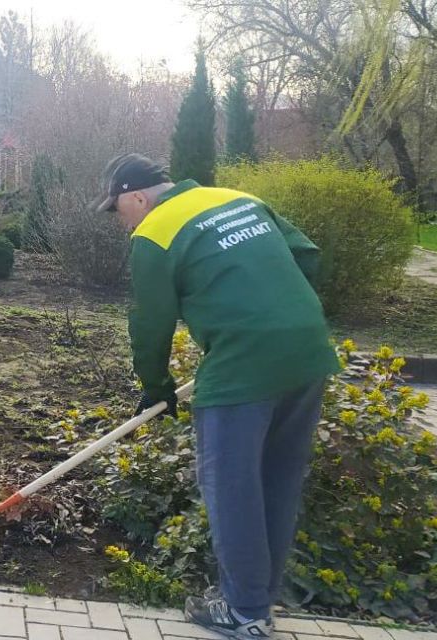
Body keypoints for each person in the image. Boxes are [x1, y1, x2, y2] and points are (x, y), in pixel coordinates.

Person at [95, 154, 340, 639]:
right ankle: (256, 601)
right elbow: (306, 254)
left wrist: (156, 388)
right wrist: (278, 312)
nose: (121, 221)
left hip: (241, 367)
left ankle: (245, 613)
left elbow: (150, 324)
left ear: (137, 197)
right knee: (277, 482)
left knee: (231, 487)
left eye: (117, 209)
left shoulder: (155, 232)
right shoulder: (239, 199)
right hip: (308, 351)